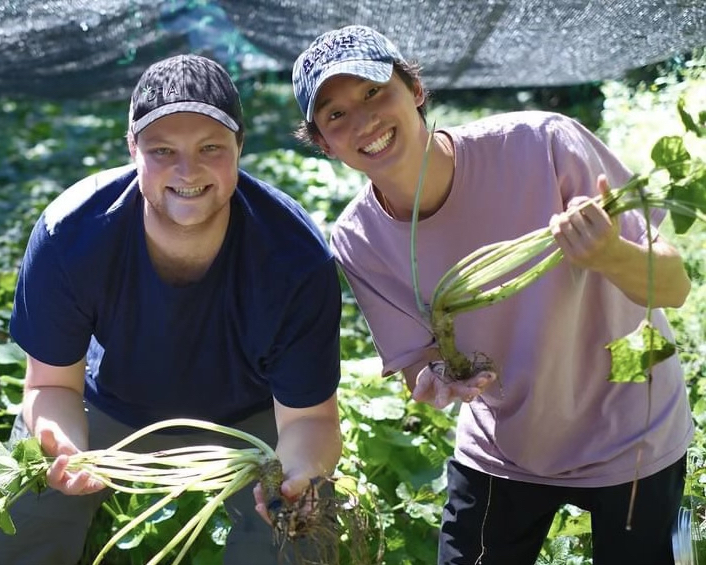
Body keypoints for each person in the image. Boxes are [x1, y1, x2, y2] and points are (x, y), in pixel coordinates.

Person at [291, 24, 693, 565]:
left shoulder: (542, 143)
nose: (363, 120)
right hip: (505, 447)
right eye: (335, 114)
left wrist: (609, 255)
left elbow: (673, 285)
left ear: (413, 91)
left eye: (373, 91)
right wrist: (435, 381)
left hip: (632, 435)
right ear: (322, 142)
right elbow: (417, 363)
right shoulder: (359, 238)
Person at [0, 53, 343, 565]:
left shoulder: (295, 256)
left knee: (297, 523)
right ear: (133, 150)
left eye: (210, 147)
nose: (187, 170)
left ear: (240, 146)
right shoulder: (70, 235)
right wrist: (64, 449)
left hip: (252, 423)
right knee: (28, 504)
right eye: (163, 149)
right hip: (108, 408)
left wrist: (297, 475)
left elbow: (311, 420)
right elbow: (50, 387)